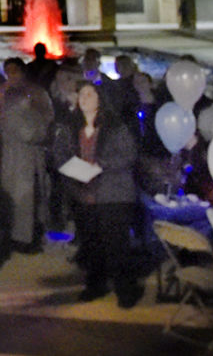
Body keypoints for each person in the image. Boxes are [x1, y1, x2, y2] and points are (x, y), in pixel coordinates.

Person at [54, 81, 144, 307]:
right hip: (84, 194)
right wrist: (72, 171)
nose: (83, 98)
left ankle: (126, 290)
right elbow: (60, 154)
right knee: (91, 244)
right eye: (81, 93)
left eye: (89, 94)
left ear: (100, 99)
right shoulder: (70, 128)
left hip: (113, 193)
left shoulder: (115, 127)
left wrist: (100, 165)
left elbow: (128, 155)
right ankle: (95, 284)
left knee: (116, 245)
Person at [0, 57, 54, 254]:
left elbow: (47, 117)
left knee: (31, 196)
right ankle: (18, 237)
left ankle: (29, 236)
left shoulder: (36, 92)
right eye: (8, 71)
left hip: (30, 153)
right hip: (10, 152)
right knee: (15, 196)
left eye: (15, 71)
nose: (11, 75)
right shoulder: (0, 92)